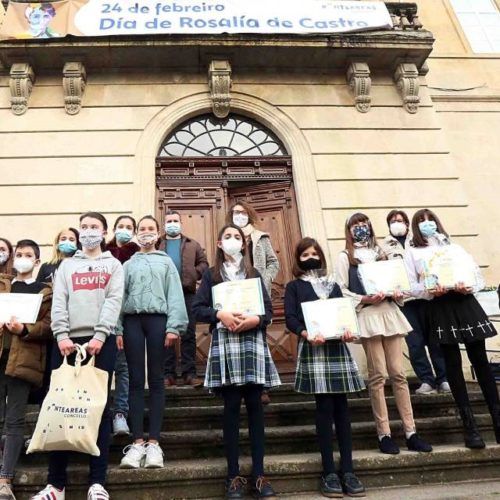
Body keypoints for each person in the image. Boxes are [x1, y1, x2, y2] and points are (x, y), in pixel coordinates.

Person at [31, 212, 124, 500]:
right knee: (60, 406)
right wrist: (61, 336)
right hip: (67, 344)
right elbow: (59, 301)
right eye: (84, 227)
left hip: (101, 343)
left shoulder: (114, 265)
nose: (88, 232)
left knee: (100, 408)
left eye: (94, 227)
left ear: (104, 231)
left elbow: (113, 300)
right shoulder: (67, 266)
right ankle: (55, 485)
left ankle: (97, 482)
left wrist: (100, 335)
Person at [193, 224, 280, 499]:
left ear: (244, 244)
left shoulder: (254, 274)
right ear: (219, 243)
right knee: (231, 410)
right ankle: (233, 476)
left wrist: (257, 319)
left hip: (252, 344)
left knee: (256, 410)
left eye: (237, 237)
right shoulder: (211, 275)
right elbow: (198, 309)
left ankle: (260, 475)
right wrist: (220, 316)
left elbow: (267, 311)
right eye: (227, 237)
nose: (232, 241)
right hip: (226, 345)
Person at [336, 213, 432, 455]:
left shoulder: (382, 253)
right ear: (348, 230)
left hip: (389, 312)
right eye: (355, 225)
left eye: (364, 224)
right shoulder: (345, 256)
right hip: (368, 314)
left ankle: (411, 432)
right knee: (378, 375)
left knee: (398, 374)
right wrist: (364, 298)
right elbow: (341, 289)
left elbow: (400, 284)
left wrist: (396, 292)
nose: (361, 228)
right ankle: (384, 433)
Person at [405, 208, 499, 449]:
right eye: (422, 221)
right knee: (453, 365)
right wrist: (429, 291)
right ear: (416, 227)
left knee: (480, 361)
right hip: (440, 306)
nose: (428, 224)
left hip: (464, 302)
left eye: (431, 220)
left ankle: (498, 421)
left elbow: (476, 275)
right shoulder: (413, 252)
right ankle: (471, 427)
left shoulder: (454, 248)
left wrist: (468, 285)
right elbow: (411, 286)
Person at [284, 237, 365, 498]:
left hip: (335, 348)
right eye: (305, 254)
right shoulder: (294, 286)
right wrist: (306, 333)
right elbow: (290, 318)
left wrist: (347, 331)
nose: (310, 257)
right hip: (314, 347)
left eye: (314, 253)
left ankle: (349, 470)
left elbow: (343, 313)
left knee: (342, 409)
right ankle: (329, 471)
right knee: (324, 408)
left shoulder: (332, 284)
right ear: (298, 259)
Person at [118, 215, 188, 470]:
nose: (146, 232)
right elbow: (119, 296)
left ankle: (154, 443)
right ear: (137, 234)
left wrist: (174, 327)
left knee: (156, 379)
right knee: (136, 380)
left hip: (158, 320)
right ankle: (137, 443)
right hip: (132, 321)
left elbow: (175, 295)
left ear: (158, 233)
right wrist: (116, 328)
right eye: (142, 229)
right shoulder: (127, 264)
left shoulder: (167, 262)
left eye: (150, 229)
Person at [0, 240, 52, 500]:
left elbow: (49, 326)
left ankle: (4, 479)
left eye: (28, 255)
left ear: (37, 261)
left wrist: (25, 329)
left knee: (15, 419)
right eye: (19, 254)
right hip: (1, 356)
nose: (22, 258)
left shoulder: (45, 292)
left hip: (24, 359)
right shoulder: (3, 284)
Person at [381, 210, 449, 395]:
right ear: (388, 224)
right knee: (415, 343)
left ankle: (443, 378)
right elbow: (382, 274)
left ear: (408, 223)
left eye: (402, 221)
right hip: (405, 301)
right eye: (394, 221)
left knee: (436, 340)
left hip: (428, 298)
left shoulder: (419, 239)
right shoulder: (383, 247)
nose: (398, 223)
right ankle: (426, 380)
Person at [227, 201, 280, 405]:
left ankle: (263, 386)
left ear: (248, 214)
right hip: (234, 292)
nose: (238, 215)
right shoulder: (228, 237)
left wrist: (264, 279)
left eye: (242, 212)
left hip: (257, 292)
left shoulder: (261, 237)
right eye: (235, 213)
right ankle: (238, 383)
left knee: (260, 339)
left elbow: (273, 262)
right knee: (236, 337)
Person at [161, 210, 208, 387]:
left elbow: (204, 263)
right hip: (164, 294)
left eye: (175, 221)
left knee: (188, 333)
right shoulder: (159, 244)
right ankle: (168, 374)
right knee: (166, 335)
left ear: (181, 223)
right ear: (164, 225)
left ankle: (190, 373)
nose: (172, 224)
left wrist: (194, 274)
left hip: (187, 293)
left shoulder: (192, 244)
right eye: (169, 221)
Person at [106, 215, 139, 437]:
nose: (124, 230)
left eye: (129, 227)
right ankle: (101, 413)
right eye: (121, 227)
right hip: (102, 316)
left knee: (123, 368)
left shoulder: (137, 254)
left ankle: (120, 413)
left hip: (127, 317)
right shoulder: (103, 252)